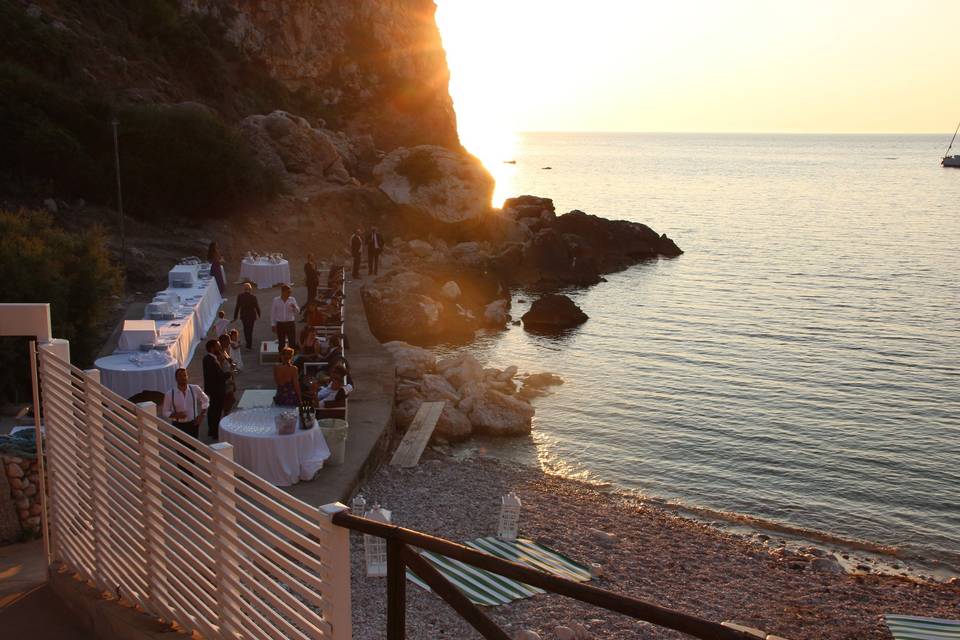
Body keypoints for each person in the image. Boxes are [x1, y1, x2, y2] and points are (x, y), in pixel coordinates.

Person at [161, 368, 209, 439]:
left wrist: (202, 415)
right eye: (180, 376)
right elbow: (165, 412)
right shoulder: (170, 394)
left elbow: (205, 400)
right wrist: (175, 415)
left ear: (187, 377)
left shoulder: (195, 389)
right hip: (178, 425)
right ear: (176, 378)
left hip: (193, 424)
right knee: (179, 448)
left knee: (192, 448)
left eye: (184, 375)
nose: (183, 378)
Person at [202, 339, 229, 440]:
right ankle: (215, 432)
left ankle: (212, 430)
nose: (220, 347)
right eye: (217, 346)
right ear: (212, 348)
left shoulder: (209, 358)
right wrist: (229, 373)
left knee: (213, 410)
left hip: (213, 389)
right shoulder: (211, 360)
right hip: (217, 390)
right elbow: (219, 375)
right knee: (216, 411)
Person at [270, 284, 299, 351]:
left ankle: (292, 359)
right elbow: (273, 313)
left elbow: (298, 311)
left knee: (292, 342)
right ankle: (281, 359)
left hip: (290, 323)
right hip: (280, 324)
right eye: (288, 292)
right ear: (283, 292)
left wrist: (295, 307)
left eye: (290, 292)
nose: (289, 293)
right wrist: (273, 324)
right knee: (281, 343)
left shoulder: (292, 299)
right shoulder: (276, 300)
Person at [233, 282, 261, 349]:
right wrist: (259, 313)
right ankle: (249, 344)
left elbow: (237, 307)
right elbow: (256, 306)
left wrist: (235, 316)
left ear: (244, 289)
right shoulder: (253, 297)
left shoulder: (240, 296)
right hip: (251, 315)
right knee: (250, 329)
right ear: (250, 289)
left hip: (244, 315)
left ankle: (247, 342)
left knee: (245, 329)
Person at [218, 334, 238, 415]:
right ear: (222, 342)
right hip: (225, 382)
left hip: (229, 378)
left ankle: (227, 415)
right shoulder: (219, 355)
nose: (229, 343)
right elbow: (220, 370)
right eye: (227, 341)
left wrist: (233, 381)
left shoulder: (224, 351)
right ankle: (226, 418)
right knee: (228, 401)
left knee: (231, 400)